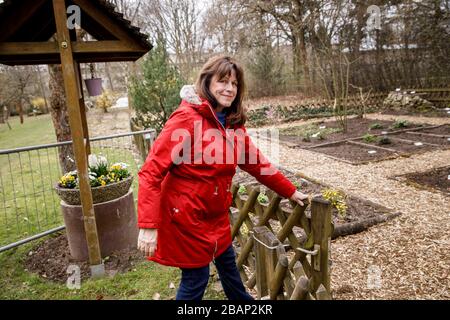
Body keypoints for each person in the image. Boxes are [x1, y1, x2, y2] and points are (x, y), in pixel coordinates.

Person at [137, 55, 309, 300]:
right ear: (207, 82)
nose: (229, 89)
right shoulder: (186, 120)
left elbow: (257, 163)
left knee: (229, 268)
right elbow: (151, 172)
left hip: (215, 216)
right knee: (196, 279)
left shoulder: (231, 123)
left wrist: (290, 191)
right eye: (223, 81)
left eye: (234, 84)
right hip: (187, 217)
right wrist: (147, 225)